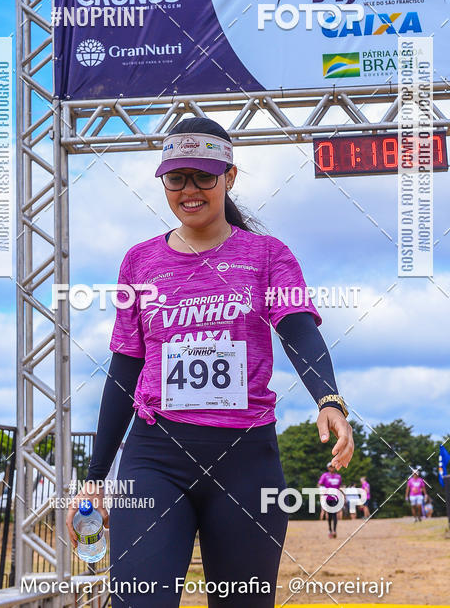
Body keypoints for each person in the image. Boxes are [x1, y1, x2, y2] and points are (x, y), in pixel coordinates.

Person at [66, 116, 354, 607]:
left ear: (230, 177)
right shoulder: (139, 262)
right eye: (176, 178)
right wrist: (94, 479)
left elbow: (298, 328)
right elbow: (124, 368)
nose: (190, 190)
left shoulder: (267, 255)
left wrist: (329, 399)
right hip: (155, 456)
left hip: (246, 459)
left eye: (204, 176)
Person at [318, 461, 343, 538]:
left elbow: (340, 486)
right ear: (328, 468)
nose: (332, 468)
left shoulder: (338, 476)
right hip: (327, 497)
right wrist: (322, 490)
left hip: (335, 497)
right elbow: (319, 484)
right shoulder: (325, 475)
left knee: (335, 513)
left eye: (333, 466)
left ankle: (334, 530)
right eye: (330, 467)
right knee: (329, 514)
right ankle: (330, 529)